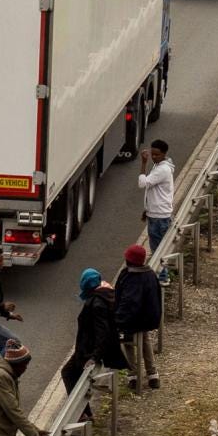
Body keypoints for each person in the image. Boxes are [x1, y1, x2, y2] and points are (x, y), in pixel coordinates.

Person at [60, 269, 130, 420]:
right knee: (72, 374)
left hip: (88, 350)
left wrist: (94, 356)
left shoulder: (96, 303)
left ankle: (82, 414)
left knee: (68, 373)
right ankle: (85, 414)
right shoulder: (108, 293)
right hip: (91, 349)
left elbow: (102, 332)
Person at [114, 244, 161, 390]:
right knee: (145, 340)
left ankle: (133, 376)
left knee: (128, 342)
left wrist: (118, 320)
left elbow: (128, 303)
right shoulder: (150, 274)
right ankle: (153, 375)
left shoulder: (130, 277)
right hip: (149, 319)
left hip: (133, 321)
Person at [138, 139, 175, 254]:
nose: (153, 157)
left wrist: (144, 163)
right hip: (157, 214)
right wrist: (147, 210)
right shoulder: (160, 165)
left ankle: (162, 272)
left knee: (158, 252)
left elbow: (142, 183)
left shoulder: (162, 169)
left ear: (164, 154)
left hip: (159, 217)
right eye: (152, 154)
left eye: (157, 155)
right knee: (159, 251)